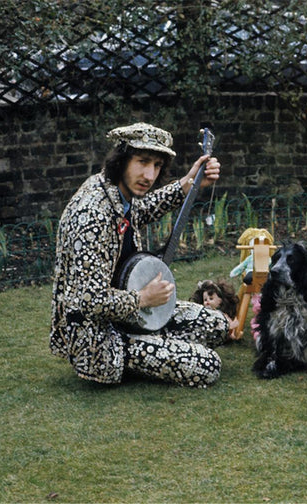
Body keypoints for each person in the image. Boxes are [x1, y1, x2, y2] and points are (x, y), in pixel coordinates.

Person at [49, 122, 229, 387]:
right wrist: (143, 298)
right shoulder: (92, 214)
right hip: (98, 338)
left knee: (218, 325)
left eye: (156, 165)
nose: (149, 174)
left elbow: (143, 210)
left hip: (131, 315)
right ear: (121, 159)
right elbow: (89, 300)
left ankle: (152, 345)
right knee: (207, 365)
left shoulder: (118, 193)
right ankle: (137, 353)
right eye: (142, 161)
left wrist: (188, 184)